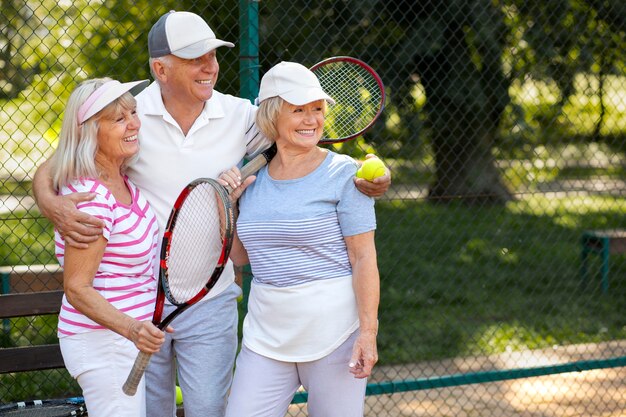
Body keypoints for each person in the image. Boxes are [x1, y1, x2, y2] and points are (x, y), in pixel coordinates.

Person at [33, 11, 390, 417]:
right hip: (140, 304)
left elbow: (299, 131)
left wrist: (373, 176)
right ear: (160, 69)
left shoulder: (242, 117)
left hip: (210, 300)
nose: (210, 67)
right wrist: (49, 200)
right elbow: (64, 156)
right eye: (195, 57)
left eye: (214, 55)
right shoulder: (130, 115)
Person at [219, 62, 380, 417]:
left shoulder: (345, 174)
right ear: (273, 116)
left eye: (317, 110)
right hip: (266, 335)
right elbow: (241, 258)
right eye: (299, 110)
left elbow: (364, 258)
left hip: (334, 335)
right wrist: (229, 206)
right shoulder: (252, 178)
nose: (311, 120)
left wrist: (368, 332)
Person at [48, 77, 168, 417]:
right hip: (104, 343)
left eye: (133, 111)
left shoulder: (122, 180)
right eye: (119, 118)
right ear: (90, 131)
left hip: (122, 340)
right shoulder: (93, 199)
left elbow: (126, 273)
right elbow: (77, 287)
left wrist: (148, 310)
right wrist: (133, 327)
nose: (134, 123)